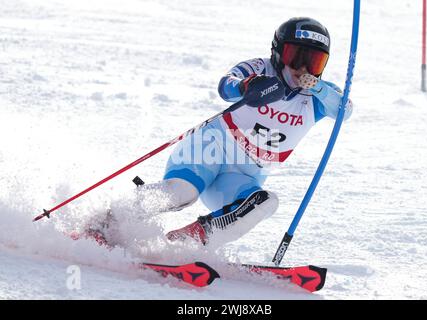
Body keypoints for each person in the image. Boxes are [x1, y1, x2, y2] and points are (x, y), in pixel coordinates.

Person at [84, 17, 353, 248]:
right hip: (209, 148)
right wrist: (247, 87)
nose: (303, 70)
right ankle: (102, 222)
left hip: (243, 174)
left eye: (314, 62)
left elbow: (345, 110)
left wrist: (317, 87)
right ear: (279, 53)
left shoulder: (317, 96)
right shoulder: (260, 69)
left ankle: (184, 244)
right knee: (182, 192)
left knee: (264, 203)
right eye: (297, 57)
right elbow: (226, 86)